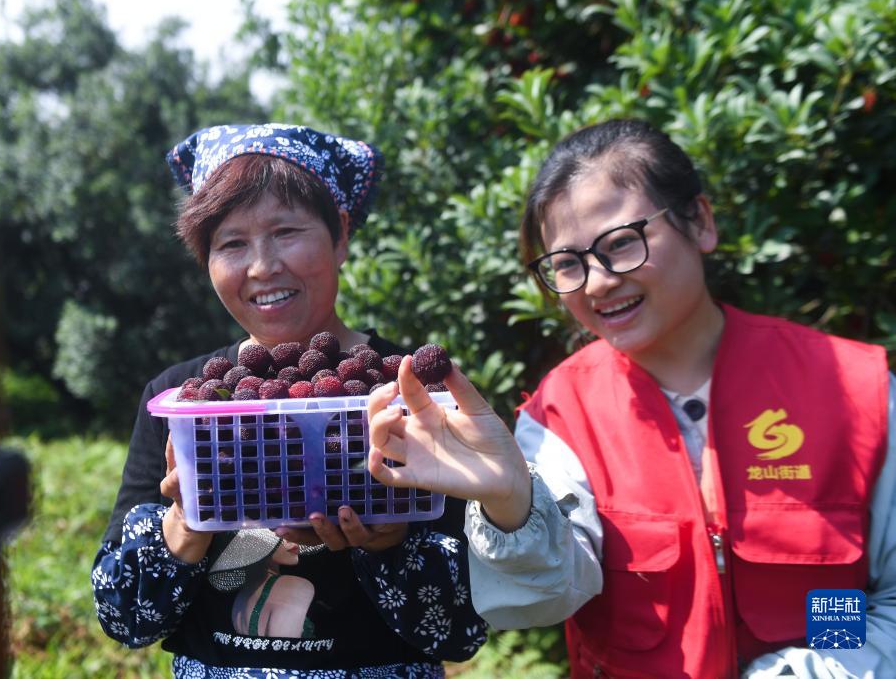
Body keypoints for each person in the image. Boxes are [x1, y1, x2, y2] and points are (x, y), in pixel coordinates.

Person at [366, 118, 896, 678]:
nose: (596, 283)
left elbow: (882, 598)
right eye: (567, 264)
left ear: (701, 222)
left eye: (621, 244)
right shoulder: (561, 414)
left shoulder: (854, 391)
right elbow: (549, 594)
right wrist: (510, 502)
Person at [91, 124, 486, 678]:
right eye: (232, 243)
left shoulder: (413, 394)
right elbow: (124, 619)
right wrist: (186, 522)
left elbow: (463, 628)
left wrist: (390, 545)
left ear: (340, 235)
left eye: (285, 231)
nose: (262, 266)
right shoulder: (178, 399)